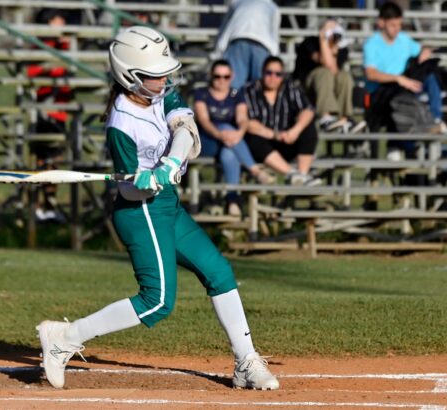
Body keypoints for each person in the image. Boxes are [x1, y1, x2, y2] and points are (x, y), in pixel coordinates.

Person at [36, 26, 279, 391]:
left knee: (219, 272)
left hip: (165, 203)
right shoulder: (120, 124)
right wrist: (141, 182)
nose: (164, 78)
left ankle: (245, 361)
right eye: (154, 73)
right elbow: (130, 192)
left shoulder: (161, 93)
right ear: (130, 76)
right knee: (157, 301)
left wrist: (167, 166)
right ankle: (64, 338)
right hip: (140, 211)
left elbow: (185, 127)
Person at [363, 1, 447, 158]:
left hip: (404, 89)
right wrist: (398, 78)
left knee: (430, 76)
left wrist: (424, 53)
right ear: (381, 23)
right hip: (380, 94)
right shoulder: (372, 44)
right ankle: (402, 146)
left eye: (399, 25)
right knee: (401, 98)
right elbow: (371, 74)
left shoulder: (404, 40)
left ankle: (435, 119)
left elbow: (420, 49)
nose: (397, 29)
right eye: (393, 25)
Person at [194, 60, 275, 216]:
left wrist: (239, 133)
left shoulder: (236, 94)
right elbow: (204, 121)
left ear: (232, 77)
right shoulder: (201, 93)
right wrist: (220, 134)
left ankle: (232, 201)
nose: (222, 80)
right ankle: (255, 170)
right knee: (226, 127)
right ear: (211, 76)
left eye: (226, 76)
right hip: (207, 140)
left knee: (228, 154)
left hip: (229, 143)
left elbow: (242, 120)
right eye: (218, 76)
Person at [244, 56, 321, 186]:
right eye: (269, 73)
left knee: (308, 127)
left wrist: (294, 131)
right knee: (253, 137)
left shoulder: (290, 87)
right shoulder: (249, 90)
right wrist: (274, 134)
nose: (273, 77)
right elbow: (246, 122)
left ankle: (302, 175)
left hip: (288, 141)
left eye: (278, 74)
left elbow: (308, 110)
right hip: (263, 145)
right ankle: (292, 174)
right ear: (262, 72)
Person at [27, 8, 73, 222]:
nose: (62, 21)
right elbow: (33, 72)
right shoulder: (39, 46)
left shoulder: (64, 46)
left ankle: (50, 207)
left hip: (60, 113)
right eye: (57, 18)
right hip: (44, 111)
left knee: (55, 161)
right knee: (42, 160)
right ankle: (36, 206)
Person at [293, 19, 362, 133]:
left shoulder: (341, 48)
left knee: (344, 76)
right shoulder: (309, 43)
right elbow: (325, 63)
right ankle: (326, 117)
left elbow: (334, 69)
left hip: (331, 87)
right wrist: (323, 39)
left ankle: (344, 118)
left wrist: (334, 48)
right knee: (324, 73)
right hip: (308, 89)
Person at [213, 0, 280, 91]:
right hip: (262, 45)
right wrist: (275, 55)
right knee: (259, 87)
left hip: (238, 41)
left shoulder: (236, 3)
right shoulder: (273, 7)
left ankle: (233, 102)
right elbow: (274, 33)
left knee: (234, 86)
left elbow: (226, 27)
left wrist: (219, 50)